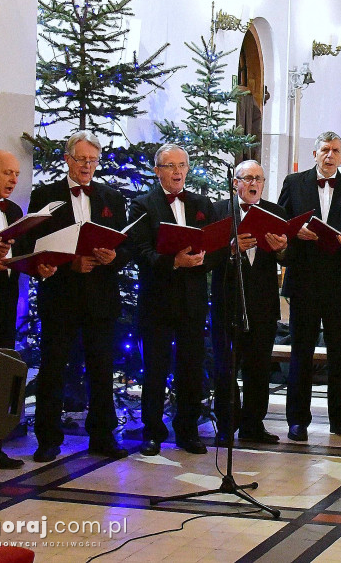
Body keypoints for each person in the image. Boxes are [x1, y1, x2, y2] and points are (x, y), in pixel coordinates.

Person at [27, 131, 131, 463]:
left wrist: (113, 258)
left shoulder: (111, 198)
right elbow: (34, 245)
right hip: (60, 297)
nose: (88, 166)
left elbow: (125, 246)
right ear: (67, 159)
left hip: (100, 298)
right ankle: (47, 438)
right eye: (82, 159)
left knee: (101, 370)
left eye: (93, 160)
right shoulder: (45, 195)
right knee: (53, 368)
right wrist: (71, 262)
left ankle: (102, 435)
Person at [0, 151, 55, 473]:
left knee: (0, 379)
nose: (14, 180)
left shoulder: (16, 210)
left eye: (16, 174)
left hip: (5, 302)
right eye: (7, 173)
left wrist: (39, 266)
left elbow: (22, 253)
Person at [130, 144, 218, 457]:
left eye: (182, 165)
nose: (177, 171)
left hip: (193, 301)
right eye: (170, 166)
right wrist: (175, 262)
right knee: (154, 368)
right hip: (157, 300)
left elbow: (214, 247)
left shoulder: (201, 203)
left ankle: (188, 431)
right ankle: (152, 432)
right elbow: (140, 252)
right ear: (157, 171)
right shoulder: (143, 204)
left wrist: (202, 259)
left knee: (191, 368)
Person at [279, 131, 341, 442]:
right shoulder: (294, 183)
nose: (330, 156)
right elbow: (280, 223)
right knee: (301, 352)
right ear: (314, 154)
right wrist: (296, 231)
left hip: (339, 283)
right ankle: (297, 421)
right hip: (304, 280)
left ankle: (340, 420)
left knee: (340, 354)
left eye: (335, 151)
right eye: (325, 150)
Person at [210, 160, 288, 445]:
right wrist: (231, 249)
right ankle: (227, 426)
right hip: (227, 302)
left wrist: (282, 251)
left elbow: (288, 258)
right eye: (248, 178)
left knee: (259, 367)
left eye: (259, 178)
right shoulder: (219, 211)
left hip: (263, 304)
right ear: (235, 183)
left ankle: (254, 424)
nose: (254, 183)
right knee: (226, 368)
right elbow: (207, 256)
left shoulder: (276, 212)